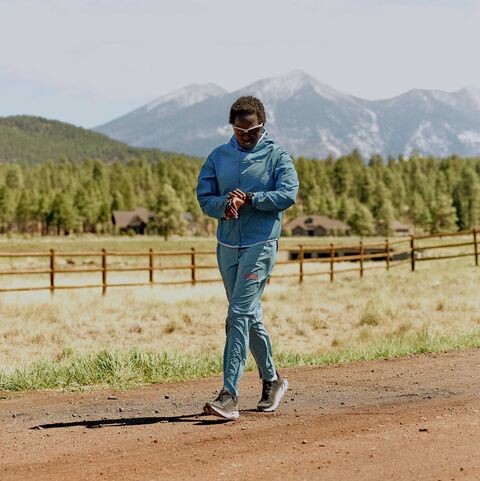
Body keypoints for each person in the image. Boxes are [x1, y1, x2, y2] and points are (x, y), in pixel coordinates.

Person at [196, 95, 299, 420]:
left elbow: (288, 194)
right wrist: (224, 205)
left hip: (261, 243)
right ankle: (273, 379)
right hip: (227, 244)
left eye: (252, 131)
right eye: (239, 132)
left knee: (237, 313)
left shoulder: (277, 156)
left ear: (262, 125)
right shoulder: (218, 156)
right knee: (248, 314)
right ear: (232, 128)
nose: (245, 137)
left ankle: (229, 395)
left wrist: (251, 199)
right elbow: (204, 198)